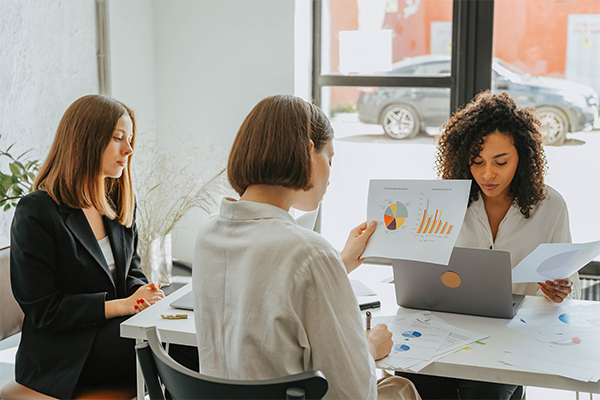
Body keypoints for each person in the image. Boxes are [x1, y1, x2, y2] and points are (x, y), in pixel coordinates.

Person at [192, 94, 421, 400]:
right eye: (330, 158)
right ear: (309, 152)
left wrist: (338, 264)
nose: (331, 174)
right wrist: (369, 344)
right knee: (400, 388)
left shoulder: (208, 233)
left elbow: (266, 291)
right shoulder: (308, 253)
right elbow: (353, 392)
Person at [397, 91, 580, 400]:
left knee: (484, 393)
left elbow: (567, 281)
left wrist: (560, 290)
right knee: (412, 384)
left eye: (501, 161)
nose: (487, 174)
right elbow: (420, 273)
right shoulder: (444, 201)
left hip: (511, 340)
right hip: (444, 331)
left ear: (523, 157)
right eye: (477, 162)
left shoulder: (551, 206)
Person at [9, 95, 165, 400]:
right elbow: (43, 310)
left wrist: (146, 297)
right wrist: (121, 306)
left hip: (111, 335)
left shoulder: (118, 202)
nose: (129, 150)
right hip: (61, 352)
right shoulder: (37, 211)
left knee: (186, 343)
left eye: (130, 139)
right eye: (118, 138)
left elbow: (131, 272)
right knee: (177, 349)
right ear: (86, 140)